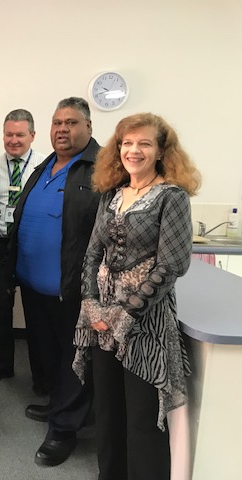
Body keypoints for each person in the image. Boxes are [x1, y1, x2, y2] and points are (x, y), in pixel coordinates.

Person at [72, 113, 200, 480]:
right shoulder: (112, 194)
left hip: (144, 326)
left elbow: (172, 264)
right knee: (108, 413)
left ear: (161, 151)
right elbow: (92, 253)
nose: (134, 150)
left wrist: (124, 316)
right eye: (127, 143)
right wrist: (92, 306)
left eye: (144, 143)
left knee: (143, 420)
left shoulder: (171, 198)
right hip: (100, 320)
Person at [8, 97, 100, 466]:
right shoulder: (46, 164)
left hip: (72, 288)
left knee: (74, 360)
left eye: (72, 122)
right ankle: (58, 406)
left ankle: (64, 430)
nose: (63, 129)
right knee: (48, 354)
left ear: (89, 128)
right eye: (57, 122)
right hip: (34, 285)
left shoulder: (100, 169)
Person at [0, 109, 46, 393]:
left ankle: (41, 375)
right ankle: (0, 365)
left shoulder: (45, 167)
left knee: (36, 311)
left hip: (31, 244)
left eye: (20, 134)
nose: (14, 140)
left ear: (32, 135)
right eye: (9, 134)